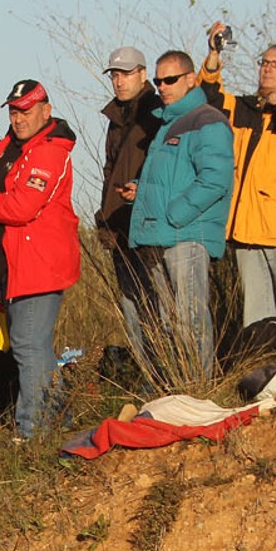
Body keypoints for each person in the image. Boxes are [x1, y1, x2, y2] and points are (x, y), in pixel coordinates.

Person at [0, 79, 84, 432]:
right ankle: (59, 422)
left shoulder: (47, 151)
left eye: (26, 110)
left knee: (29, 349)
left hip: (38, 264)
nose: (19, 118)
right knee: (36, 349)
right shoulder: (14, 147)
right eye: (14, 111)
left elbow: (21, 207)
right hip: (15, 265)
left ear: (46, 111)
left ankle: (32, 430)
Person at [200, 28, 276, 345]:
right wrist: (214, 54)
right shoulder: (245, 109)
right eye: (264, 62)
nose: (267, 68)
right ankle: (261, 373)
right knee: (256, 316)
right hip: (245, 229)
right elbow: (207, 96)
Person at [128, 56, 233, 375]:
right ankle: (178, 389)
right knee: (169, 322)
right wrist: (140, 189)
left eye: (170, 80)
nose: (162, 87)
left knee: (191, 319)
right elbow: (172, 178)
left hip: (186, 235)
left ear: (191, 79)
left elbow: (216, 178)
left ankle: (198, 388)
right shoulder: (166, 123)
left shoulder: (207, 120)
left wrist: (176, 214)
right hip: (161, 235)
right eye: (159, 81)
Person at [96, 48, 164, 365]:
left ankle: (168, 375)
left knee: (157, 305)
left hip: (150, 224)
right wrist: (105, 216)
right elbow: (110, 170)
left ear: (142, 73)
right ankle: (147, 373)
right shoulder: (116, 117)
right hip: (120, 224)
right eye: (114, 74)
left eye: (125, 73)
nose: (119, 81)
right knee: (131, 306)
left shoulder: (158, 111)